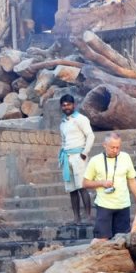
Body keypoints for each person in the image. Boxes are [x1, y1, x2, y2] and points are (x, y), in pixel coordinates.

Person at [82, 132, 136, 240]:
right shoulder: (95, 160)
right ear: (104, 145)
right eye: (112, 147)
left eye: (118, 147)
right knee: (101, 240)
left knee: (122, 241)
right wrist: (101, 183)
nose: (115, 150)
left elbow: (132, 181)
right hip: (104, 206)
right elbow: (85, 183)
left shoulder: (126, 157)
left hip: (123, 205)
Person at [58, 94, 95, 224]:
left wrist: (84, 153)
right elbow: (63, 141)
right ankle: (76, 218)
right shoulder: (62, 123)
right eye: (64, 105)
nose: (66, 107)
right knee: (72, 189)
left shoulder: (81, 119)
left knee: (82, 187)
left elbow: (90, 136)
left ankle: (88, 216)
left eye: (68, 104)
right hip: (67, 157)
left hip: (79, 156)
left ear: (74, 105)